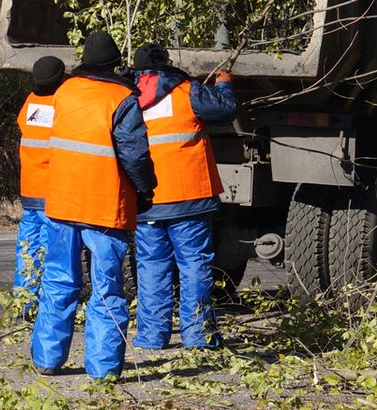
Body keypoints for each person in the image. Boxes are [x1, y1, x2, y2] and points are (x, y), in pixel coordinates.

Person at [31, 32, 156, 380]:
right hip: (104, 207)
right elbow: (134, 154)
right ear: (115, 63)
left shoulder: (64, 92)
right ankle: (102, 370)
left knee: (58, 280)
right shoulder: (122, 98)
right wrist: (146, 190)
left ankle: (47, 359)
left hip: (60, 202)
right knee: (106, 287)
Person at [130, 43, 238, 350]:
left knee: (151, 269)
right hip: (189, 197)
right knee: (194, 267)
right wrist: (224, 83)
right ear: (166, 65)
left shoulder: (128, 97)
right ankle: (199, 336)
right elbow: (225, 110)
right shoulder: (187, 91)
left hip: (148, 201)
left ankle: (151, 337)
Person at [12, 55, 66, 316]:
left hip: (29, 188)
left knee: (27, 247)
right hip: (51, 189)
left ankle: (23, 302)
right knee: (48, 248)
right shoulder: (61, 104)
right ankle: (45, 306)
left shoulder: (30, 103)